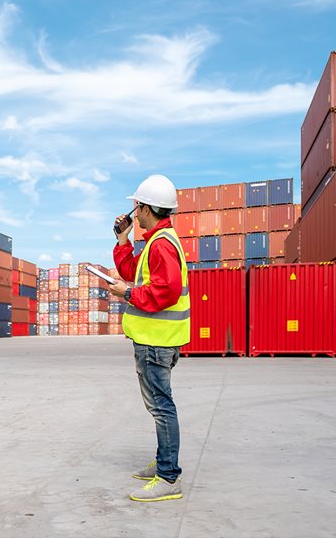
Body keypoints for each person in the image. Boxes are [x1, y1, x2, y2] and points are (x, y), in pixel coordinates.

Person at [108, 174, 190, 503]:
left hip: (156, 341)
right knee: (159, 405)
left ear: (145, 208)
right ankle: (164, 459)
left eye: (136, 207)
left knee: (161, 407)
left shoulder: (162, 244)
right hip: (157, 339)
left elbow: (166, 291)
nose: (134, 212)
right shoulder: (158, 240)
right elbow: (133, 272)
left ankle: (168, 477)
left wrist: (127, 293)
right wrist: (122, 240)